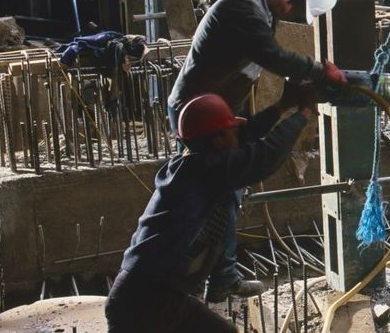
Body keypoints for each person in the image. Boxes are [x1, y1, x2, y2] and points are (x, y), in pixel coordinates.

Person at [166, 0, 390, 301]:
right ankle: (200, 283)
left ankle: (219, 278)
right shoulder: (242, 7)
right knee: (220, 195)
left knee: (228, 195)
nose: (289, 16)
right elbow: (271, 56)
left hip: (221, 105)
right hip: (198, 113)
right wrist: (320, 73)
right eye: (291, 10)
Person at [106, 84, 317, 332]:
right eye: (230, 130)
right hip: (147, 302)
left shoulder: (193, 162)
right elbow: (265, 157)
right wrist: (303, 114)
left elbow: (244, 134)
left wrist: (282, 106)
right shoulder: (207, 171)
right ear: (217, 140)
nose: (237, 136)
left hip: (155, 295)